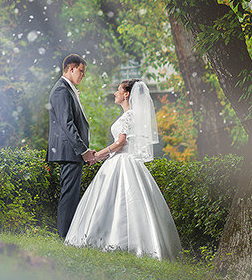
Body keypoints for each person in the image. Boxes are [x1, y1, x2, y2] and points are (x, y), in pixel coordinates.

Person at [64, 78, 182, 260]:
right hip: (121, 160)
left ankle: (113, 240)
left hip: (122, 161)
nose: (115, 93)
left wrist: (97, 155)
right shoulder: (130, 115)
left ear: (126, 94)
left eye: (118, 90)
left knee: (115, 200)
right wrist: (101, 156)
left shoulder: (129, 116)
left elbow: (121, 142)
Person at [47, 54, 97, 239]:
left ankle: (68, 234)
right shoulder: (61, 90)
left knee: (71, 194)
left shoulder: (68, 89)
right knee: (69, 195)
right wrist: (83, 151)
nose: (83, 75)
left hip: (71, 151)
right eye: (81, 71)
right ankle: (65, 236)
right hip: (69, 151)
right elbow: (67, 124)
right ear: (71, 68)